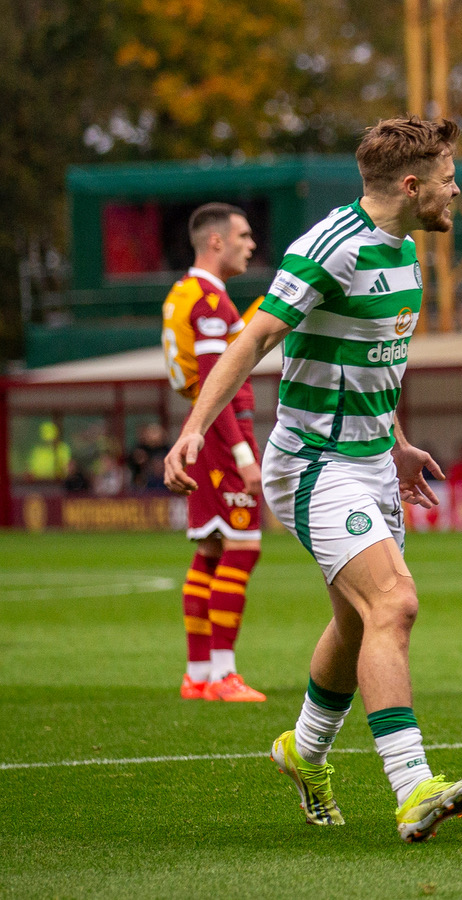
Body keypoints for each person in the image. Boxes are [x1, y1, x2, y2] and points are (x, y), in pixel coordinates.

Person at [164, 116, 462, 843]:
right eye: (445, 179)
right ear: (410, 186)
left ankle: (303, 753)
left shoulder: (405, 250)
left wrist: (397, 441)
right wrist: (191, 433)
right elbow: (253, 339)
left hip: (373, 461)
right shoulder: (325, 250)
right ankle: (413, 788)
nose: (454, 190)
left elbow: (375, 360)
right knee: (395, 603)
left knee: (356, 621)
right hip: (312, 461)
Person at [160, 202, 266, 703]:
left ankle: (198, 673)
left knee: (211, 552)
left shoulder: (185, 293)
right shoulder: (209, 301)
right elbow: (212, 386)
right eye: (244, 236)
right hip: (221, 439)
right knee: (243, 551)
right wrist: (244, 455)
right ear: (216, 241)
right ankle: (224, 674)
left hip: (203, 437)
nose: (251, 245)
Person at [128, 422, 170, 491]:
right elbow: (132, 466)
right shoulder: (141, 449)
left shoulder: (167, 449)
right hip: (145, 485)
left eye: (156, 433)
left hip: (165, 485)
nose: (153, 436)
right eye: (152, 433)